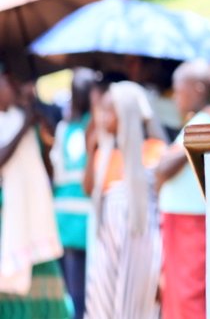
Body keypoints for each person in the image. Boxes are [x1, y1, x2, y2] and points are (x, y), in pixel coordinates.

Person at [83, 81, 166, 319]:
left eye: (109, 111)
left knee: (135, 308)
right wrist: (90, 150)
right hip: (109, 245)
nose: (102, 118)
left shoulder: (155, 150)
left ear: (127, 114)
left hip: (142, 246)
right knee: (103, 305)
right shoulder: (105, 154)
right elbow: (88, 189)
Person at [0, 63, 71, 318]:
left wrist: (42, 132)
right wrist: (24, 127)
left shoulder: (23, 117)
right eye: (7, 82)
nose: (13, 87)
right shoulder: (19, 122)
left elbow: (48, 168)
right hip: (8, 216)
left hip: (35, 216)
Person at [155, 60, 210, 319]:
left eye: (178, 90)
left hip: (189, 221)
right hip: (184, 218)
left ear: (197, 89)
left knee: (187, 295)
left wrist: (162, 162)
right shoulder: (200, 121)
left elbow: (163, 169)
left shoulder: (203, 122)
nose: (175, 98)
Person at [51, 69, 100, 319]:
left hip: (65, 216)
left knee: (73, 289)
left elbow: (57, 171)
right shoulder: (97, 125)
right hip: (89, 215)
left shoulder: (65, 127)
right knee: (92, 287)